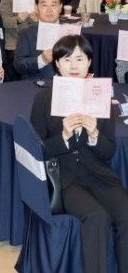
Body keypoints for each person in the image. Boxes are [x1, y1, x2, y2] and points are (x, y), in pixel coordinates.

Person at [30, 35, 128, 273]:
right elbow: (37, 151)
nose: (73, 66)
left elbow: (108, 152)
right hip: (64, 178)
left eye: (80, 59)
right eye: (66, 59)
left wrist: (94, 134)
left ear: (89, 63)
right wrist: (64, 136)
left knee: (126, 213)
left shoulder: (100, 96)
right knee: (97, 217)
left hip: (98, 173)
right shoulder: (43, 98)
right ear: (56, 64)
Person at [14, 0, 63, 81]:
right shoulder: (26, 33)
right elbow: (18, 65)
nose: (49, 10)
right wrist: (41, 60)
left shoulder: (70, 31)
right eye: (44, 5)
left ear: (60, 7)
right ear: (36, 8)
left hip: (66, 84)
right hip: (37, 85)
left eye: (53, 5)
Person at [0, 0, 38, 70]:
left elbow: (50, 23)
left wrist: (38, 20)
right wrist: (18, 19)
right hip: (15, 43)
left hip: (37, 42)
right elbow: (5, 22)